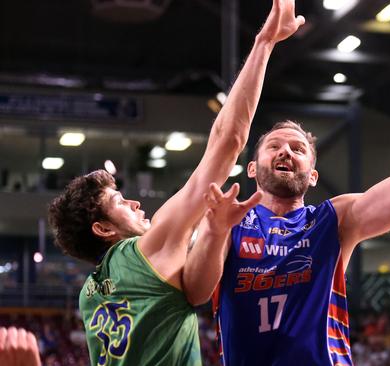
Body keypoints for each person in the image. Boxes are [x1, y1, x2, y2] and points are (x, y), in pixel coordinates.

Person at [182, 8, 390, 365]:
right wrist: (213, 229)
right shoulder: (228, 222)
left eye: (298, 149)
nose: (286, 151)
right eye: (275, 146)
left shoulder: (335, 220)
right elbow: (196, 292)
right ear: (253, 170)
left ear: (313, 175)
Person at [46, 0, 304, 364]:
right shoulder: (143, 253)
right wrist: (264, 42)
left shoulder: (90, 294)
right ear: (103, 228)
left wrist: (213, 232)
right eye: (120, 202)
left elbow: (195, 292)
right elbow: (227, 140)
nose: (135, 203)